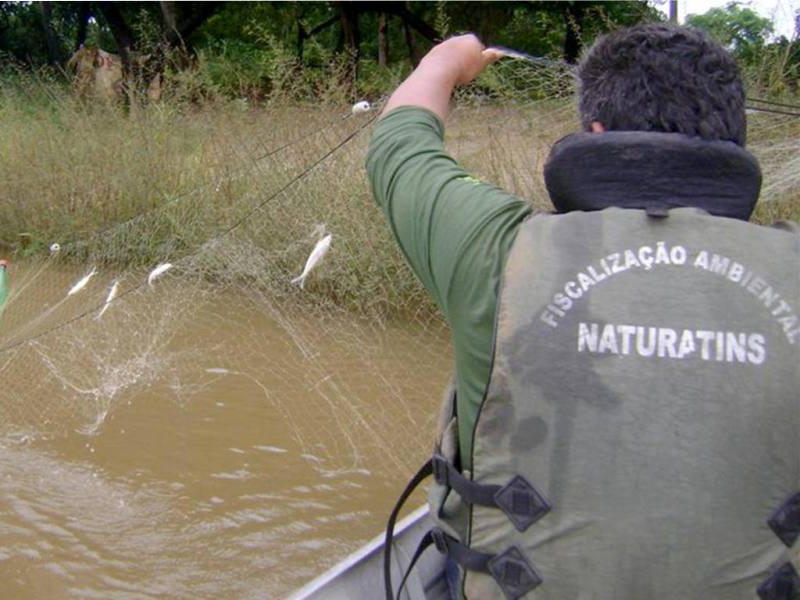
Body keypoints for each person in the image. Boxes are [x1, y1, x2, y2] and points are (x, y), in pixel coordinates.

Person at [367, 24, 799, 600]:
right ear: (734, 139)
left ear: (595, 131)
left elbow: (400, 145)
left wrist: (444, 64)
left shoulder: (498, 249)